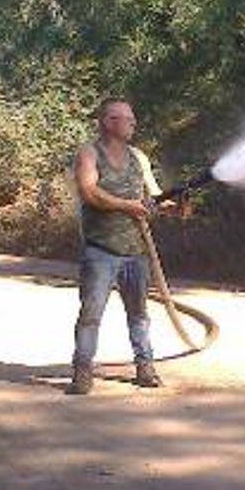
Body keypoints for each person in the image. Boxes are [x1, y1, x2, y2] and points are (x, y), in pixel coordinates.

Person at [69, 97, 176, 395]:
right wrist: (128, 206)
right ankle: (82, 371)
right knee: (91, 314)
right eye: (126, 118)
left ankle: (145, 366)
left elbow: (153, 196)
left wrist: (175, 206)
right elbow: (89, 192)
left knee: (139, 312)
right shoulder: (89, 154)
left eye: (132, 118)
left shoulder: (138, 157)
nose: (133, 123)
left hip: (136, 250)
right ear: (108, 122)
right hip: (100, 250)